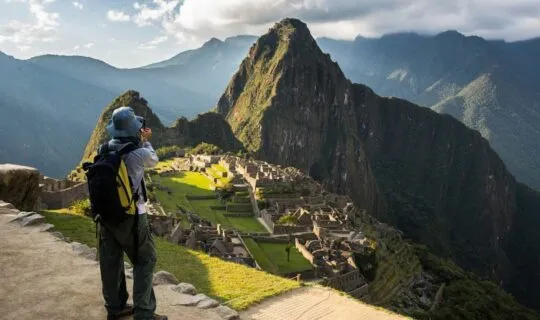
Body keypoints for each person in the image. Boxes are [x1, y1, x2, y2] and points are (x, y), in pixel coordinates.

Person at [97, 106, 167, 320]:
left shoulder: (104, 149)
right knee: (145, 259)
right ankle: (144, 313)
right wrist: (146, 140)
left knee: (110, 261)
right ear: (135, 130)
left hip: (105, 215)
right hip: (132, 216)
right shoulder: (139, 153)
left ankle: (115, 307)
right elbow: (154, 160)